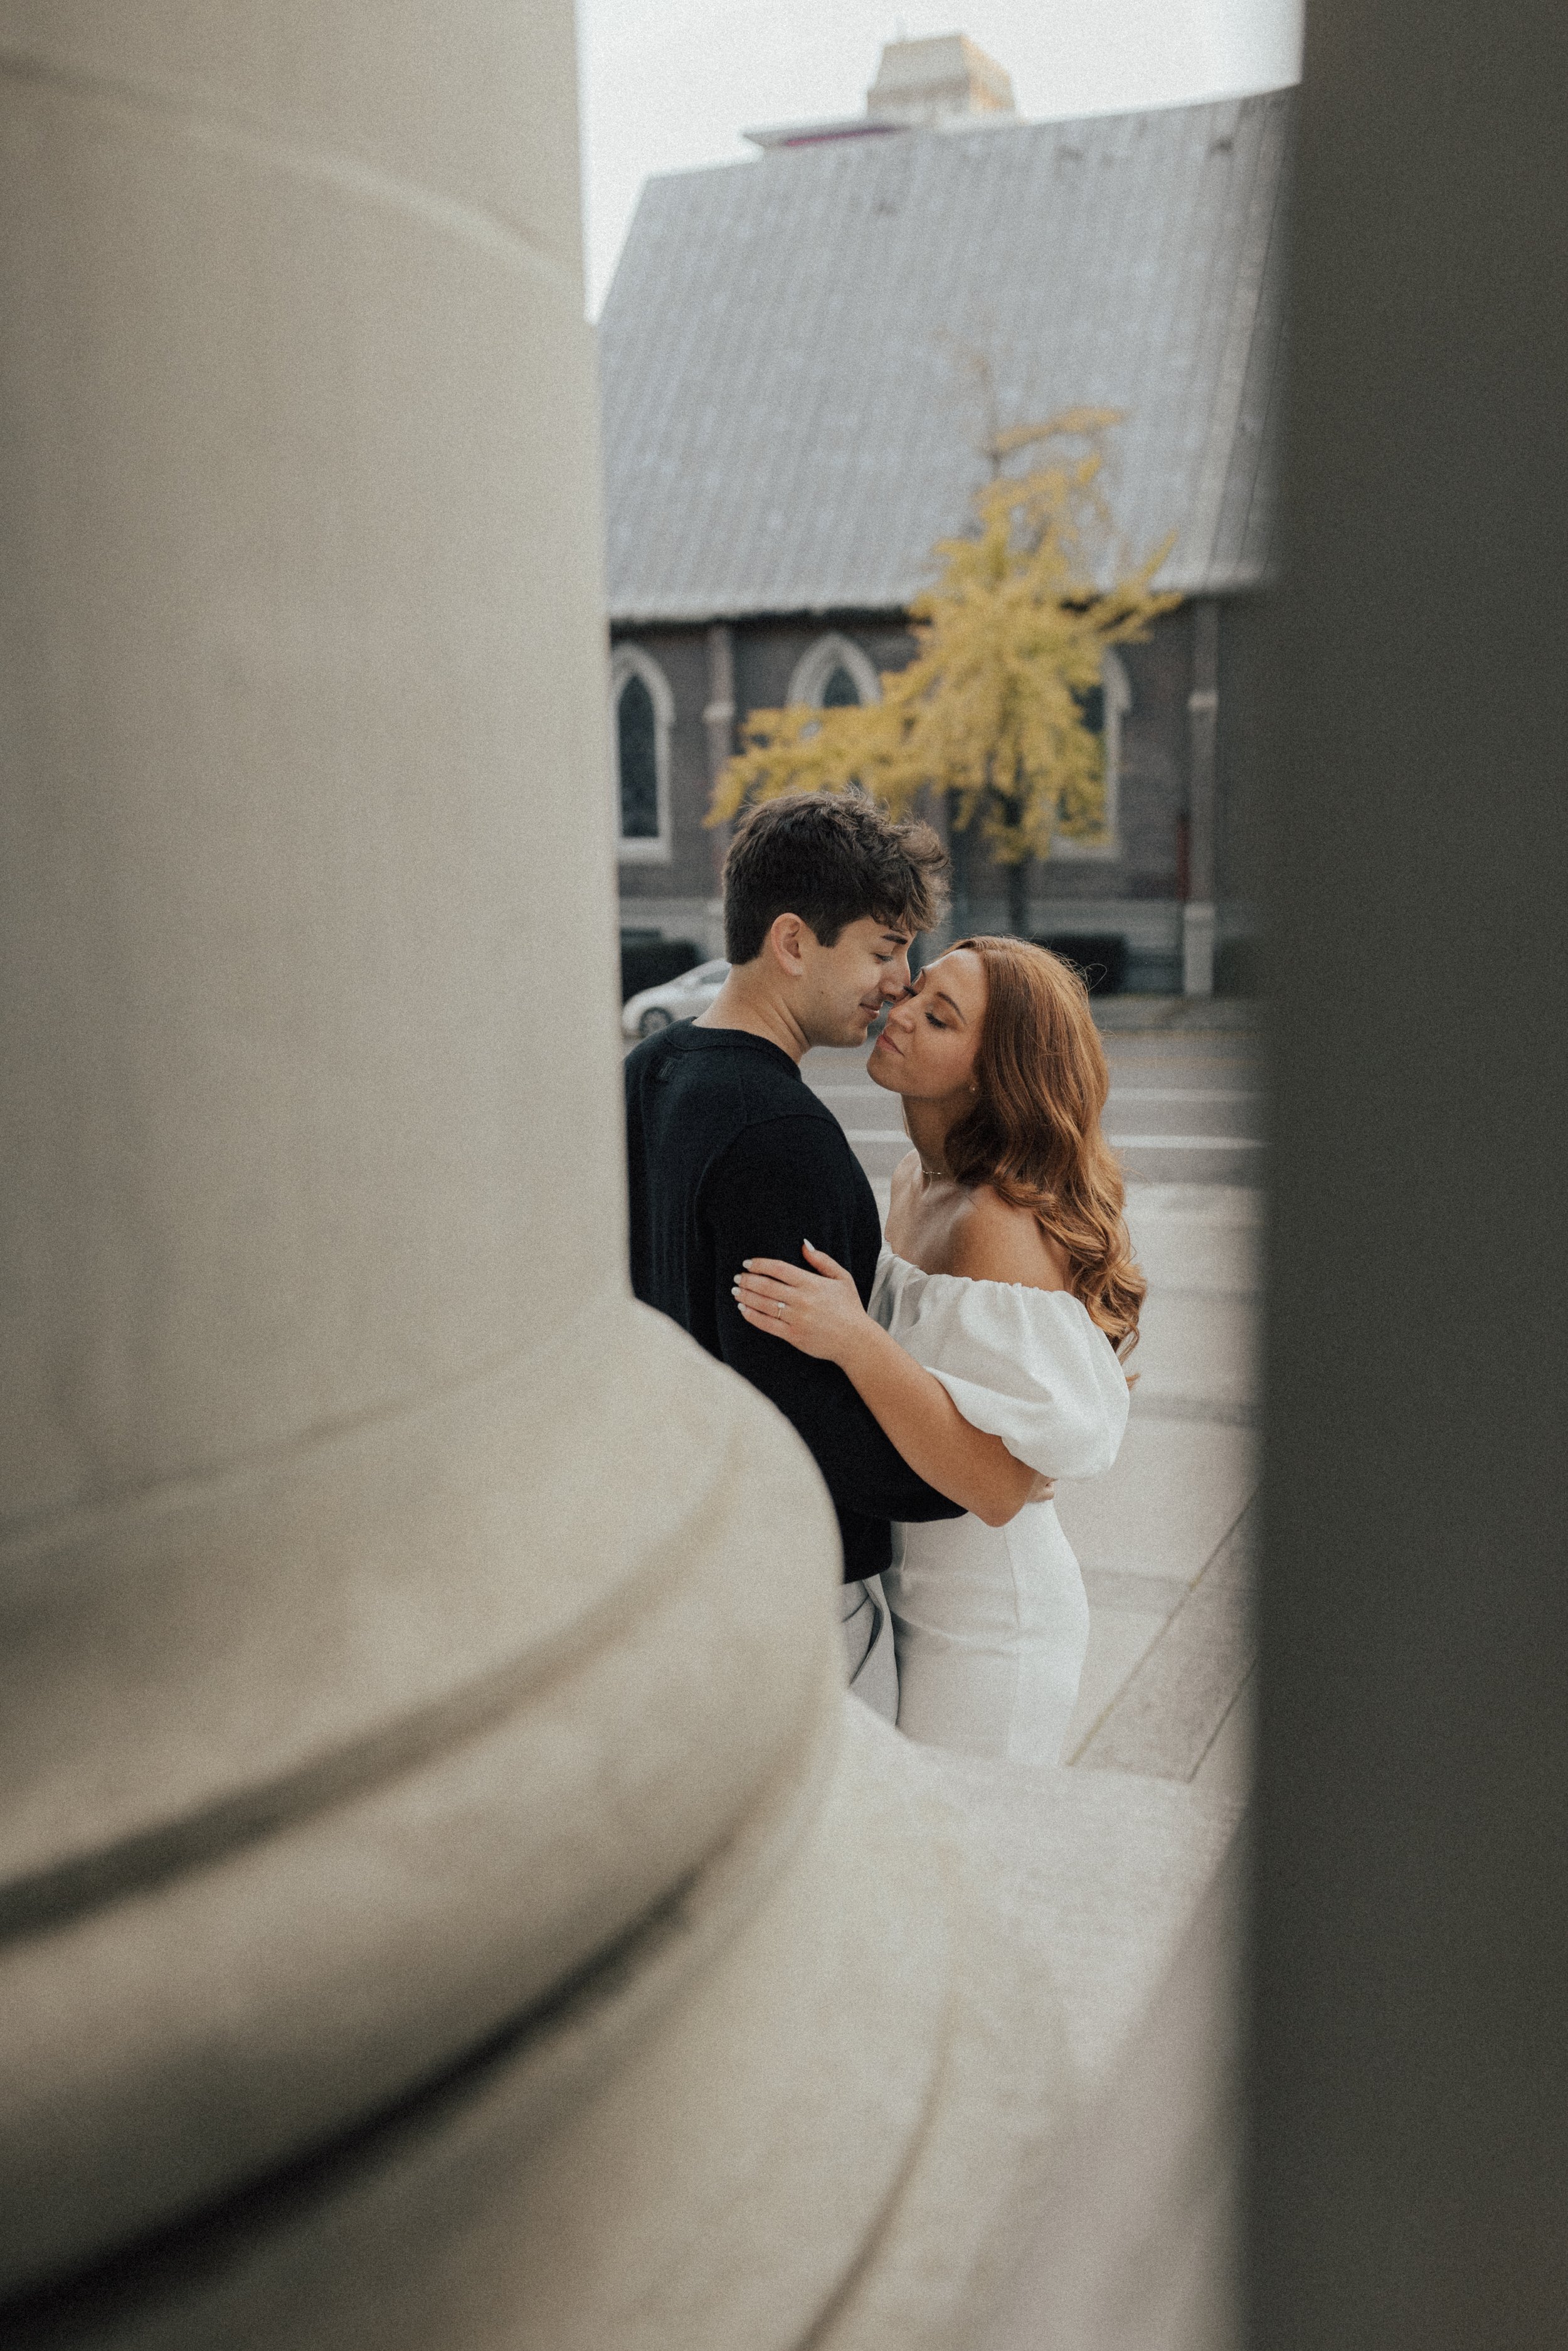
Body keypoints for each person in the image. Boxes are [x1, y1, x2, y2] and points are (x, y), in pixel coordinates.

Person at [625, 795, 1051, 1718]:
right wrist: (995, 1475)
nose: (898, 981)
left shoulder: (645, 1077)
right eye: (883, 949)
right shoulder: (784, 1135)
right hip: (801, 1594)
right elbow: (809, 1418)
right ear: (792, 942)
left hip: (676, 1563)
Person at [733, 936, 1140, 1766]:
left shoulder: (998, 1223)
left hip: (992, 1620)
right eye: (915, 991)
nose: (903, 1013)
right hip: (908, 1593)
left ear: (993, 1073)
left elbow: (995, 1490)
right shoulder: (914, 1186)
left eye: (940, 1017)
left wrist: (848, 1336)